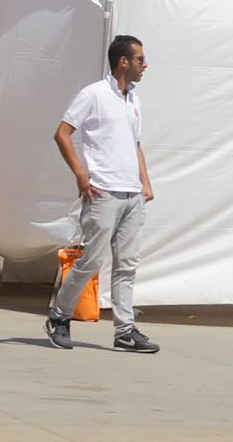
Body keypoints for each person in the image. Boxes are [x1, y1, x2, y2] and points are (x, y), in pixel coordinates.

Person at [46, 35, 160, 353]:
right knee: (91, 261)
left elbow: (134, 144)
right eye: (140, 59)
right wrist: (82, 175)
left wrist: (144, 184)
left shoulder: (134, 99)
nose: (145, 65)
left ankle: (124, 330)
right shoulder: (93, 94)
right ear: (123, 61)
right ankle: (59, 317)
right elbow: (63, 133)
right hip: (103, 193)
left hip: (131, 194)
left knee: (127, 264)